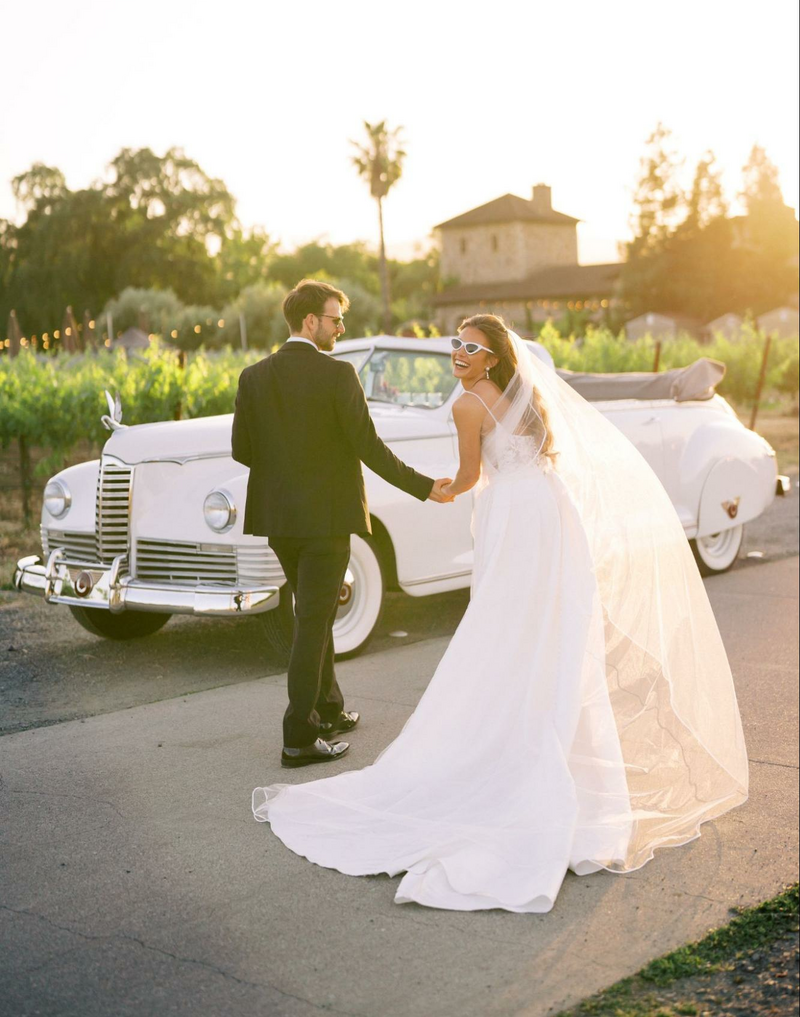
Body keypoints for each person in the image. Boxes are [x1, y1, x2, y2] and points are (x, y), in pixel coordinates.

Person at [251, 313, 749, 912]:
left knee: (502, 630)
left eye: (471, 348)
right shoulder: (529, 397)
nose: (458, 353)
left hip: (512, 517)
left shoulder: (467, 409)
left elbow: (468, 477)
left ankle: (508, 744)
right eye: (456, 345)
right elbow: (541, 459)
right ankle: (555, 740)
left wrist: (442, 490)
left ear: (491, 357)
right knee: (551, 630)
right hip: (548, 511)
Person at [231, 279, 453, 769]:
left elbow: (241, 451)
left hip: (278, 521)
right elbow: (368, 448)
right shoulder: (338, 375)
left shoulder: (252, 377)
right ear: (310, 321)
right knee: (313, 623)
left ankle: (327, 709)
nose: (341, 327)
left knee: (314, 612)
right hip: (326, 521)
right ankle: (298, 736)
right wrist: (423, 485)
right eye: (335, 319)